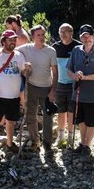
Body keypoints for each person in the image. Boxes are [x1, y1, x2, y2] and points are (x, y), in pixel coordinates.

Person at [0, 30, 30, 161]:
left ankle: (10, 144)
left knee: (11, 121)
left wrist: (27, 69)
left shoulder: (19, 55)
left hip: (14, 96)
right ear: (3, 41)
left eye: (14, 39)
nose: (13, 42)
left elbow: (23, 73)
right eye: (10, 40)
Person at [66, 24, 94, 156]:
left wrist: (86, 77)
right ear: (80, 38)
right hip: (78, 93)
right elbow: (69, 69)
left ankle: (87, 145)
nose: (86, 38)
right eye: (83, 36)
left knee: (91, 121)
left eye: (89, 35)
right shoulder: (76, 50)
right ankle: (83, 144)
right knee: (81, 120)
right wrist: (75, 76)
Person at [17, 25, 58, 156]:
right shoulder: (26, 48)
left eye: (43, 34)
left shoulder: (51, 51)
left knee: (48, 116)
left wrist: (53, 90)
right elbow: (11, 51)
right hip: (31, 86)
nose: (41, 37)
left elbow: (55, 72)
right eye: (38, 35)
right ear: (33, 36)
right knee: (30, 115)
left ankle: (47, 143)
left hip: (46, 87)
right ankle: (35, 140)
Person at [52, 23, 81, 148]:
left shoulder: (78, 46)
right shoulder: (55, 47)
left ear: (71, 33)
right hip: (59, 84)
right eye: (61, 31)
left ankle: (70, 138)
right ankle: (61, 138)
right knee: (60, 112)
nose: (63, 34)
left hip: (73, 85)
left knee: (71, 112)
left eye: (66, 31)